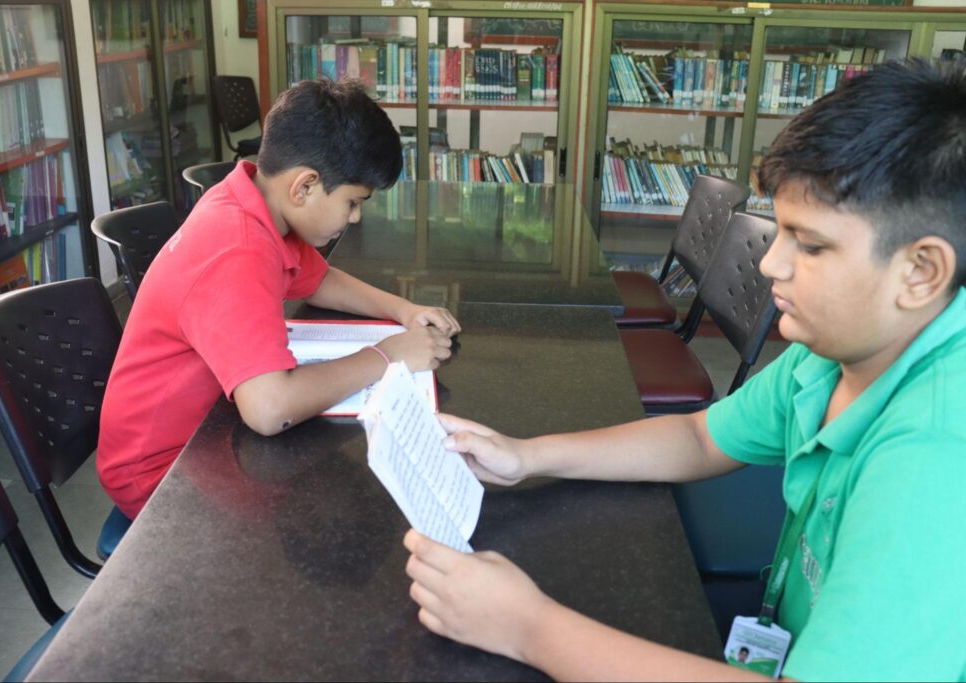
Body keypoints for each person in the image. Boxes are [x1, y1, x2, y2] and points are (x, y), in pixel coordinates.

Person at [403, 58, 966, 681]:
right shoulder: (843, 350)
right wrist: (528, 455)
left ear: (920, 272)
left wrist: (526, 626)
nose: (772, 264)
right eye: (780, 232)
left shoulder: (937, 457)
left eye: (810, 245)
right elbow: (701, 436)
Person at [98, 79, 460, 520]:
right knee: (343, 510)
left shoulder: (252, 201)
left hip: (209, 431)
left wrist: (403, 310)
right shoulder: (238, 248)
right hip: (161, 474)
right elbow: (272, 410)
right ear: (304, 186)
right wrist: (388, 355)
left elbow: (319, 281)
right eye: (352, 201)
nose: (355, 217)